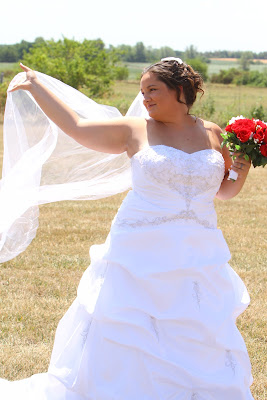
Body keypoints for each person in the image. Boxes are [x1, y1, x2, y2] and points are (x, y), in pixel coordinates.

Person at [0, 58, 254, 399]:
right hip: (139, 248)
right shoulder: (135, 129)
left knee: (194, 325)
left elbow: (224, 190)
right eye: (141, 91)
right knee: (132, 328)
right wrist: (36, 85)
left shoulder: (212, 132)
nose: (145, 98)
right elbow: (76, 126)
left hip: (198, 251)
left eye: (153, 90)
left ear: (181, 91)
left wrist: (242, 166)